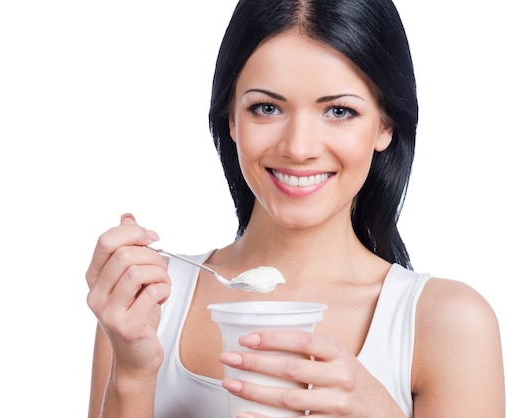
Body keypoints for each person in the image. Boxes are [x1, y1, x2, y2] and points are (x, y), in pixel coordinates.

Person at [85, 0, 505, 417]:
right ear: (231, 118)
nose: (298, 148)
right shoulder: (148, 302)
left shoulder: (449, 324)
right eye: (266, 108)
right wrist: (134, 374)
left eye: (339, 111)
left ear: (385, 125)